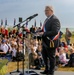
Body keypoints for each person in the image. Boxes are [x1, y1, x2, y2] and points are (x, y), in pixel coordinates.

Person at [40, 6, 60, 75]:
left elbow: (55, 31)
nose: (45, 12)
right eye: (45, 11)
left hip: (51, 41)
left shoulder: (55, 19)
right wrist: (38, 31)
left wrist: (44, 33)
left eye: (47, 10)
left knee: (51, 57)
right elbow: (44, 29)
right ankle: (46, 69)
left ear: (51, 11)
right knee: (44, 56)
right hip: (45, 42)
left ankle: (51, 72)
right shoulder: (46, 19)